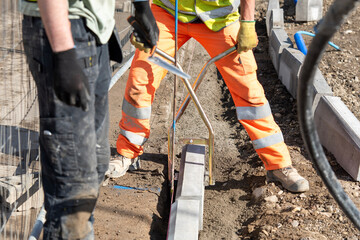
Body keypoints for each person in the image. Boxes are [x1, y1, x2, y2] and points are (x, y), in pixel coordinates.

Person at [106, 0, 310, 193]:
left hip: (219, 19)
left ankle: (278, 164)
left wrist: (247, 23)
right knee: (139, 80)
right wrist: (142, 17)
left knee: (248, 91)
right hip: (168, 13)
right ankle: (127, 153)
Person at [20, 0, 158, 239]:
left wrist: (141, 5)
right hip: (65, 27)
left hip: (96, 29)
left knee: (95, 163)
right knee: (72, 189)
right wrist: (63, 51)